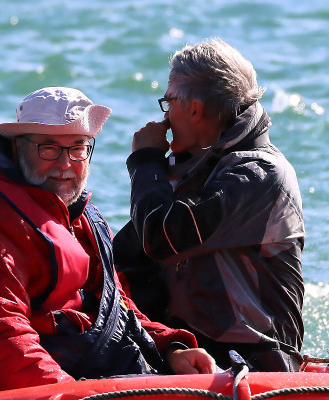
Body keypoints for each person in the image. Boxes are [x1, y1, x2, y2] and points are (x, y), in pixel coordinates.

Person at [0, 87, 215, 400]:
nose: (65, 164)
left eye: (77, 148)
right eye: (49, 148)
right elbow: (3, 337)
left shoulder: (81, 213)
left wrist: (170, 347)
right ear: (18, 147)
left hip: (77, 380)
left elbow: (117, 308)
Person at [114, 38, 306, 372]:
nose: (166, 116)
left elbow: (162, 238)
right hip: (188, 348)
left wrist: (146, 161)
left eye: (168, 102)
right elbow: (127, 257)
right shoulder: (194, 167)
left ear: (194, 109)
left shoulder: (259, 174)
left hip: (254, 358)